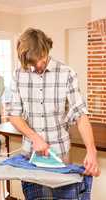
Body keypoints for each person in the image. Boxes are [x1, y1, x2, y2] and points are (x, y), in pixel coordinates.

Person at [8, 28, 100, 199]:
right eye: (32, 63)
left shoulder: (67, 73)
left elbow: (80, 115)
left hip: (60, 154)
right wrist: (34, 137)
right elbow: (13, 114)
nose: (38, 66)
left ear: (47, 48)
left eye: (40, 60)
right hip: (31, 157)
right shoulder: (18, 75)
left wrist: (91, 150)